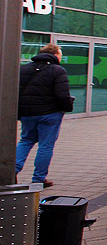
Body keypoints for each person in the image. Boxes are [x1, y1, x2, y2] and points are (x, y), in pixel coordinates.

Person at [16, 44, 72, 187]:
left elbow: (17, 91)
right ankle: (39, 178)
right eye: (60, 54)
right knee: (45, 146)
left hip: (28, 113)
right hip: (49, 113)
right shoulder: (57, 70)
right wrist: (67, 107)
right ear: (55, 55)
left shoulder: (24, 69)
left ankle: (12, 170)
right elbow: (62, 94)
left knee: (25, 140)